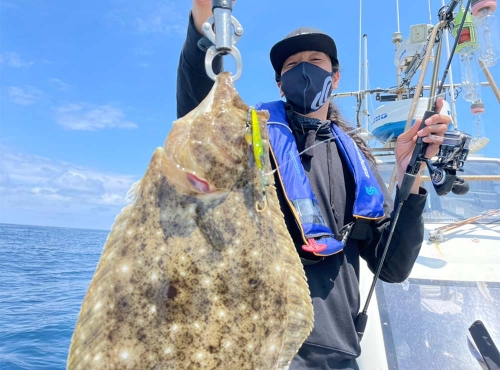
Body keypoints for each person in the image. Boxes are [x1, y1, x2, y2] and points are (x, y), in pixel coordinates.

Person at [176, 1, 451, 369]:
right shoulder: (251, 134)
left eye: (316, 62)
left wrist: (409, 174)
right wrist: (202, 20)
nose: (303, 70)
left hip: (337, 355)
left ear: (335, 77)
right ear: (279, 82)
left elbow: (392, 267)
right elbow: (198, 115)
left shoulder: (358, 160)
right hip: (259, 347)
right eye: (291, 66)